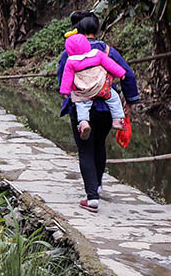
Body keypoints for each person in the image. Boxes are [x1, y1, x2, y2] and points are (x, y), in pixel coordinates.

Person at [57, 11, 140, 213]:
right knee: (99, 144)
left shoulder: (69, 52)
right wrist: (130, 101)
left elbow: (62, 79)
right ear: (97, 30)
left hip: (82, 108)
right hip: (105, 109)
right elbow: (127, 74)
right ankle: (99, 185)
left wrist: (67, 95)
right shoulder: (108, 51)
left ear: (78, 31)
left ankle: (92, 197)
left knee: (85, 149)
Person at [60, 33, 127, 140]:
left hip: (84, 91)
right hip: (102, 88)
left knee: (81, 104)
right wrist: (121, 73)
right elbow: (110, 64)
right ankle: (117, 120)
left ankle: (83, 123)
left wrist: (65, 92)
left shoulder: (70, 62)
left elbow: (67, 78)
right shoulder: (97, 54)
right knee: (114, 98)